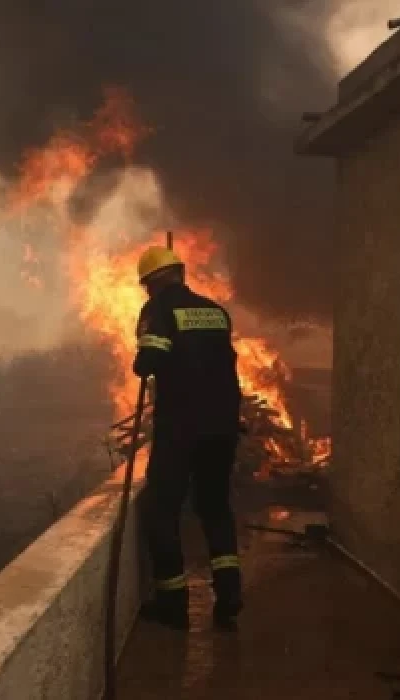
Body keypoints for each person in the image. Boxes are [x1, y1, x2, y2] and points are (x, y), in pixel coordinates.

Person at [130, 245, 244, 629]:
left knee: (161, 510)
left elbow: (148, 363)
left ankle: (173, 604)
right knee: (215, 508)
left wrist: (142, 346)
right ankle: (229, 594)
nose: (147, 292)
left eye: (147, 286)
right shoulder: (215, 311)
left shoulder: (159, 310)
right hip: (223, 428)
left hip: (182, 428)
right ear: (180, 273)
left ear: (153, 283)